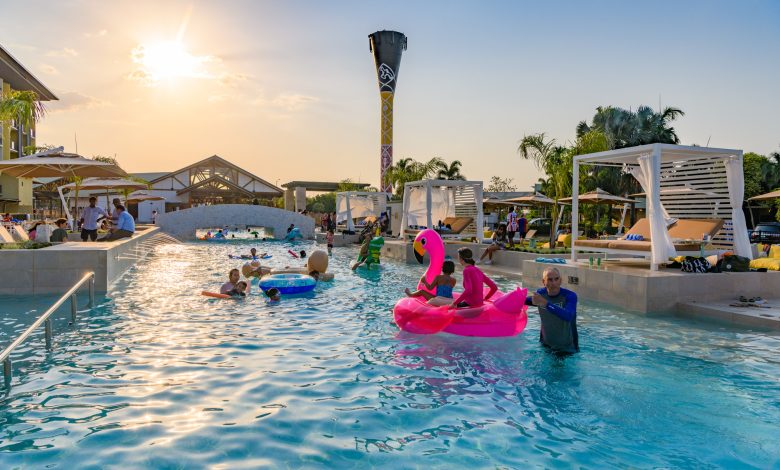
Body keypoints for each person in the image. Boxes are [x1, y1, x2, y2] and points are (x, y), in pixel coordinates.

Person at [525, 267, 579, 354]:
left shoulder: (570, 296)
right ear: (544, 282)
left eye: (556, 279)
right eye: (550, 280)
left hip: (566, 348)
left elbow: (568, 316)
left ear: (560, 280)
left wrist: (546, 304)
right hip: (545, 346)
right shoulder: (541, 294)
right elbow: (526, 300)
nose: (554, 283)